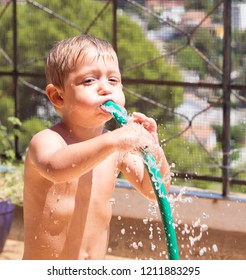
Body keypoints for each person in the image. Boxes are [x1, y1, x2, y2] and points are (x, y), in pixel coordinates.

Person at [23, 34, 171, 260]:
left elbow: (153, 191)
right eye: (89, 81)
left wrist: (153, 148)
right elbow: (56, 169)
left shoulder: (116, 148)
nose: (105, 88)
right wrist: (113, 140)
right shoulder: (47, 140)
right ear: (57, 96)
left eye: (113, 80)